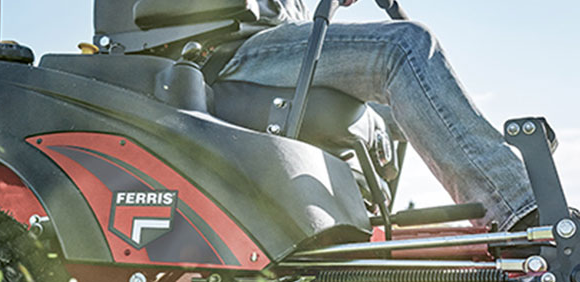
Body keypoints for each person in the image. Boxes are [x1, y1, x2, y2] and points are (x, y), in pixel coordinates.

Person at [214, 0, 537, 231]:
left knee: (418, 101)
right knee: (403, 47)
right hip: (228, 48)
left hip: (270, 41)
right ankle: (521, 215)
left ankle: (512, 182)